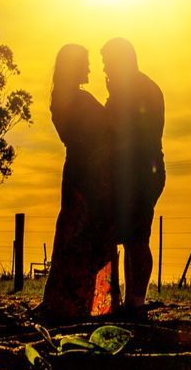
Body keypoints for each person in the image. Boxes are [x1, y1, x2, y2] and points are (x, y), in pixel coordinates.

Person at [34, 44, 116, 322]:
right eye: (86, 62)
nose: (90, 68)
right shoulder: (78, 101)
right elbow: (106, 130)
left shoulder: (62, 98)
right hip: (90, 175)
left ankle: (72, 302)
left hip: (79, 173)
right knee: (90, 237)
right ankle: (91, 305)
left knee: (75, 236)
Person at [102, 37, 165, 315]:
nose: (105, 71)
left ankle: (135, 301)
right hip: (136, 172)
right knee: (130, 236)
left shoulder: (137, 90)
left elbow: (121, 131)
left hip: (141, 173)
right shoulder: (137, 88)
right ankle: (127, 300)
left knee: (137, 237)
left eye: (108, 64)